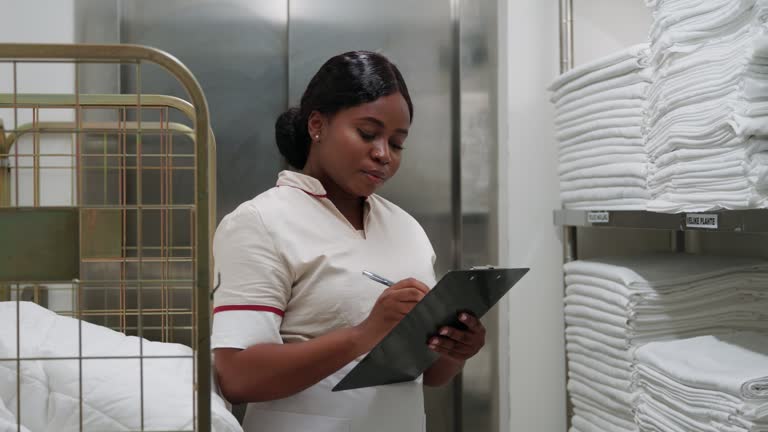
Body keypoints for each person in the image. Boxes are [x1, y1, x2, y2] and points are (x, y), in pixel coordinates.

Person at [211, 51, 486, 432]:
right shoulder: (259, 223)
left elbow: (432, 376)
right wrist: (363, 334)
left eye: (398, 142)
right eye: (368, 133)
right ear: (317, 125)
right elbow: (236, 378)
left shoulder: (407, 229)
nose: (383, 154)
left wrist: (456, 351)